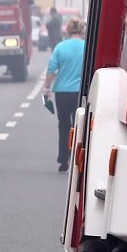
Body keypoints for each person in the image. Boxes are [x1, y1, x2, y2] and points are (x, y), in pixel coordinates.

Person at [43, 17, 86, 172]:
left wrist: (46, 89)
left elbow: (51, 70)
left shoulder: (60, 47)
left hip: (62, 92)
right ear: (81, 30)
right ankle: (79, 158)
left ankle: (63, 159)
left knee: (63, 125)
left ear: (67, 30)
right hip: (80, 92)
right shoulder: (86, 46)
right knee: (80, 126)